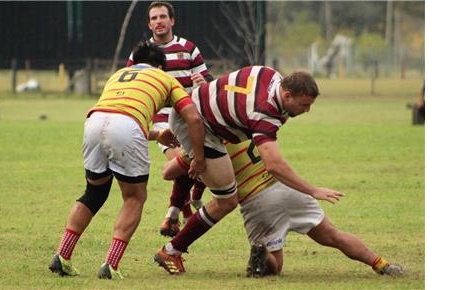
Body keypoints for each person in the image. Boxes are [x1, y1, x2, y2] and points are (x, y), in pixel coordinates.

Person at [153, 66, 344, 275]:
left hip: (198, 112)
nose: (307, 110)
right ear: (287, 95)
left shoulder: (270, 74)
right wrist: (312, 190)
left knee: (198, 169)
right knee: (224, 200)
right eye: (304, 105)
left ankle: (173, 219)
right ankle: (171, 250)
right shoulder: (263, 116)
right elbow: (273, 165)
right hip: (197, 123)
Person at [48, 41, 206, 280]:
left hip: (94, 122)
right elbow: (193, 118)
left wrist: (156, 134)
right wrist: (199, 158)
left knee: (93, 193)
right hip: (127, 125)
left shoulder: (118, 74)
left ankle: (62, 255)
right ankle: (110, 265)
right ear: (161, 66)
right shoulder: (165, 78)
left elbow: (114, 117)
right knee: (134, 197)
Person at [161, 140, 404, 277]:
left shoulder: (204, 138)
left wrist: (185, 154)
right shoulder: (245, 124)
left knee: (274, 267)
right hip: (288, 189)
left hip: (257, 202)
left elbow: (169, 172)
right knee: (333, 235)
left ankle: (262, 255)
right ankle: (381, 264)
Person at [126, 1, 212, 237]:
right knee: (182, 163)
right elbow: (130, 83)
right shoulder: (140, 54)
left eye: (163, 17)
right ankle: (177, 211)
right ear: (149, 23)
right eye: (154, 18)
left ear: (172, 20)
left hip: (189, 116)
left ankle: (181, 208)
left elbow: (208, 81)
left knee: (203, 156)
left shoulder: (188, 48)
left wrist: (204, 83)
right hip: (162, 119)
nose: (159, 21)